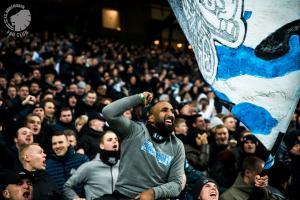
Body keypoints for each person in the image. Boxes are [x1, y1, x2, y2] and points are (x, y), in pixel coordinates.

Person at [102, 91, 185, 199]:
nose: (170, 114)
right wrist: (139, 98)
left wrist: (153, 193)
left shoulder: (177, 145)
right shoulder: (135, 130)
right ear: (151, 118)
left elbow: (176, 185)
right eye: (164, 110)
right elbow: (108, 112)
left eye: (172, 111)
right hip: (124, 195)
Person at [64, 130, 120, 200]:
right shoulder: (89, 167)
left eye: (116, 139)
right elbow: (67, 186)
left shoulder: (123, 166)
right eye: (109, 140)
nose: (114, 141)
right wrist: (75, 198)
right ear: (102, 145)